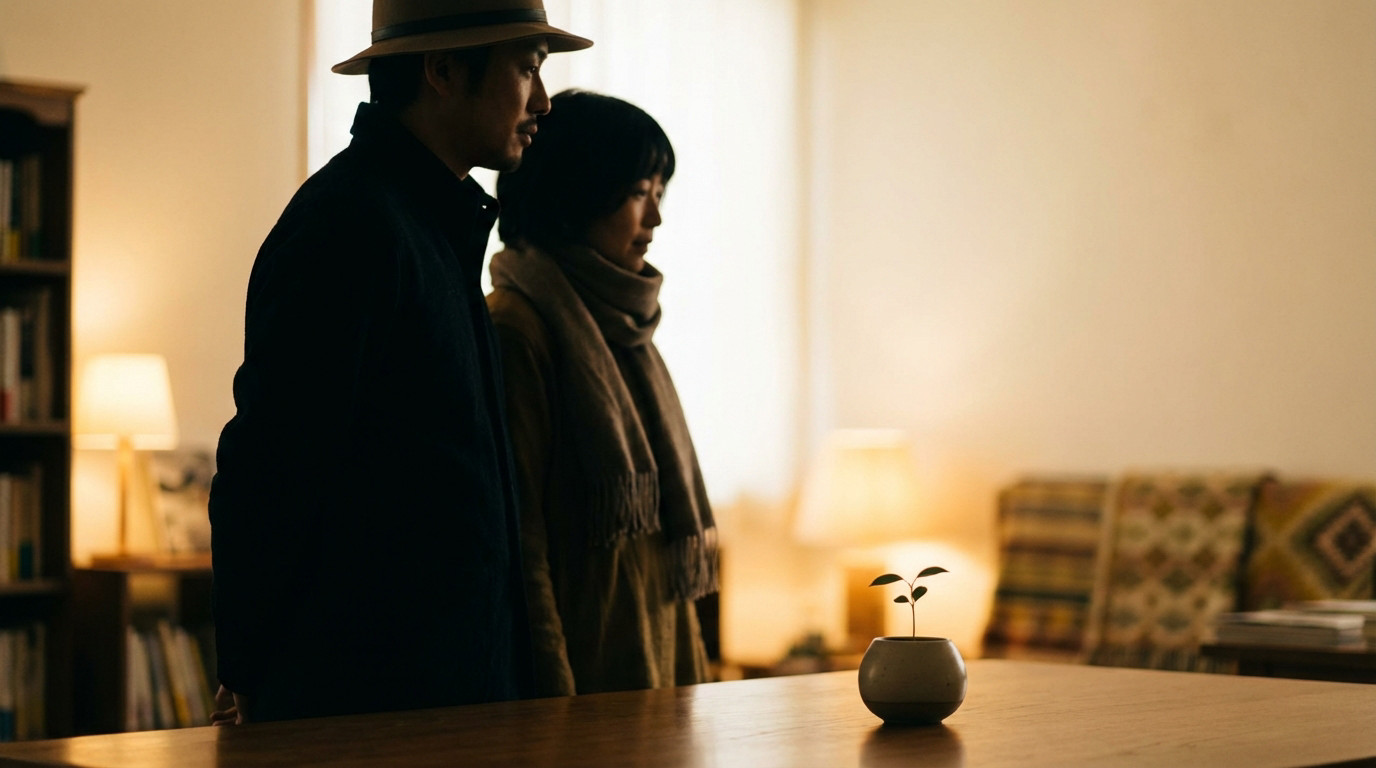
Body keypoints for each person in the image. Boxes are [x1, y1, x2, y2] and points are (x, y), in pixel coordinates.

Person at [207, 1, 590, 724]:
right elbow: (271, 471)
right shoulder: (351, 227)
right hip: (371, 709)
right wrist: (249, 665)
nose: (542, 100)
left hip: (444, 703)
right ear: (443, 70)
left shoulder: (428, 225)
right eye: (527, 68)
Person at [486, 89, 718, 697]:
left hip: (655, 671)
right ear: (578, 191)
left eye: (659, 195)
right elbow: (522, 547)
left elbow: (659, 545)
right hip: (585, 685)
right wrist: (551, 706)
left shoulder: (624, 325)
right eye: (640, 194)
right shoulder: (518, 326)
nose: (656, 219)